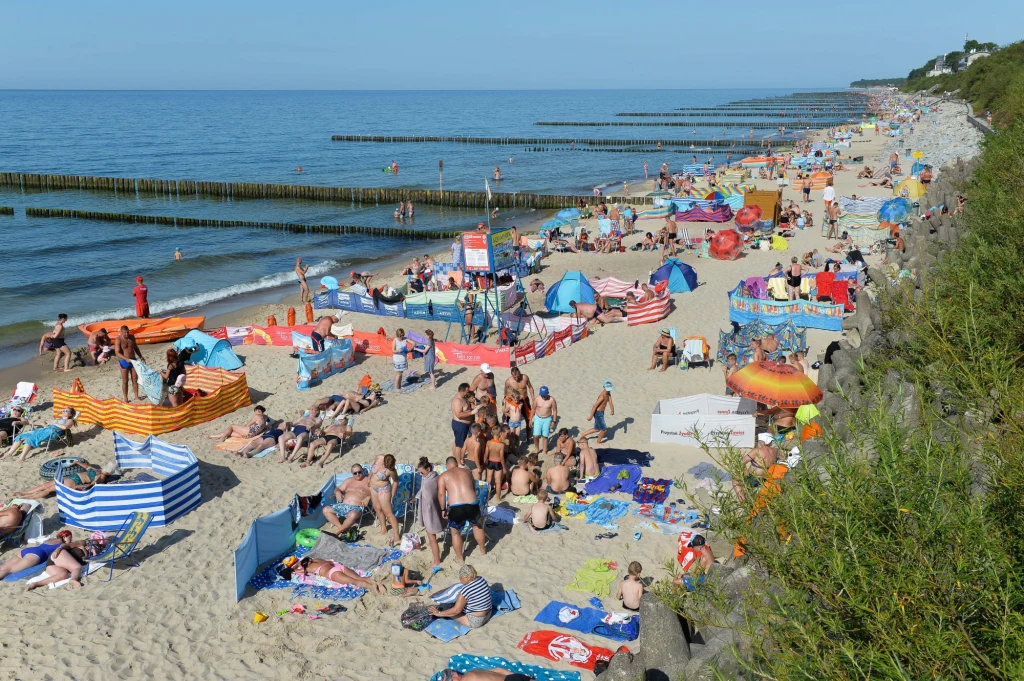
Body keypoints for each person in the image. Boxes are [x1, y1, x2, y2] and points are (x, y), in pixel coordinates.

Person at [438, 456, 487, 563]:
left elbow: (441, 494)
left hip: (456, 507)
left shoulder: (443, 476)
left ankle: (460, 559)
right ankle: (483, 550)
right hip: (472, 503)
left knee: (456, 533)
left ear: (447, 466)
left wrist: (443, 509)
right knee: (477, 526)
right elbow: (473, 488)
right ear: (456, 463)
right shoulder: (467, 472)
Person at [430, 564, 493, 628]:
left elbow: (456, 610)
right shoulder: (481, 579)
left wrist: (439, 613)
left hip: (476, 621)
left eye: (461, 577)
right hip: (489, 613)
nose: (460, 579)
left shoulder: (466, 590)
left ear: (468, 577)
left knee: (447, 608)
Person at [4, 407, 77, 462]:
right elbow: (45, 422)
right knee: (20, 436)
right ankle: (9, 453)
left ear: (70, 414)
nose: (64, 411)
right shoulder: (58, 419)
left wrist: (54, 423)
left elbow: (65, 427)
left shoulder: (70, 420)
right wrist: (45, 423)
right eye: (63, 410)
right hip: (44, 430)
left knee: (31, 439)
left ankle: (21, 458)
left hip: (53, 432)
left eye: (66, 411)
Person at [321, 464, 373, 536]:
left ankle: (337, 532)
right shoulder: (348, 481)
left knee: (353, 515)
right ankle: (342, 528)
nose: (357, 474)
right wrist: (337, 492)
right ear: (352, 473)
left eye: (359, 472)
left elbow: (376, 493)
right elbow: (338, 488)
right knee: (326, 510)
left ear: (362, 471)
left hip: (356, 507)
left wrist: (369, 497)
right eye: (355, 473)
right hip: (343, 505)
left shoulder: (368, 481)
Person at [0, 529, 74, 579]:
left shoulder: (51, 539)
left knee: (3, 567)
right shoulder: (62, 545)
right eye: (70, 538)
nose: (71, 540)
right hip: (36, 555)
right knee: (10, 570)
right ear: (64, 536)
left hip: (28, 550)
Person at [296, 556, 385, 593]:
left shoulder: (308, 568)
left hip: (333, 573)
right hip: (340, 567)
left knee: (355, 581)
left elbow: (295, 571)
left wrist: (297, 565)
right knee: (359, 577)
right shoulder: (319, 560)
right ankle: (376, 583)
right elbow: (330, 561)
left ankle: (373, 587)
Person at [415, 458, 444, 568]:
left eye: (422, 472)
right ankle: (433, 547)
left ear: (428, 469)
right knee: (431, 536)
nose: (420, 474)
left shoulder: (428, 482)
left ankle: (436, 561)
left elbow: (428, 497)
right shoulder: (435, 476)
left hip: (429, 511)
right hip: (435, 508)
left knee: (431, 536)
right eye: (419, 472)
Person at [369, 454, 402, 547]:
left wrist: (392, 494)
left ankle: (396, 535)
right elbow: (372, 467)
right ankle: (383, 529)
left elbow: (396, 481)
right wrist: (369, 478)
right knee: (377, 508)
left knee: (388, 513)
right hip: (373, 488)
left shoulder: (391, 470)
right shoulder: (379, 457)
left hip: (383, 489)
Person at [452, 383, 484, 460]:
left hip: (465, 424)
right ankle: (458, 462)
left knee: (459, 442)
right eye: (467, 391)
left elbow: (470, 406)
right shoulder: (457, 401)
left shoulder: (464, 397)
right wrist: (471, 413)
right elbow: (458, 415)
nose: (468, 392)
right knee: (459, 445)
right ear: (462, 391)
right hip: (460, 424)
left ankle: (456, 458)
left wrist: (478, 406)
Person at [114, 325, 145, 403]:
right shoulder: (118, 339)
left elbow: (135, 348)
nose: (127, 334)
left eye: (128, 332)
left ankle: (136, 396)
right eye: (125, 333)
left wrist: (141, 356)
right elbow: (117, 352)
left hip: (133, 360)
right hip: (123, 361)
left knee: (135, 379)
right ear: (121, 332)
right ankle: (125, 398)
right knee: (125, 381)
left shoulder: (132, 337)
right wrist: (126, 359)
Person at [531, 386, 557, 455]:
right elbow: (533, 409)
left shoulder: (552, 400)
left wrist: (554, 421)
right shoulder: (537, 399)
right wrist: (530, 419)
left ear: (548, 393)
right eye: (542, 395)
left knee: (545, 436)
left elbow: (554, 410)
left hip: (547, 419)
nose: (543, 397)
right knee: (536, 435)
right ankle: (537, 448)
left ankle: (545, 450)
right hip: (538, 418)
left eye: (544, 395)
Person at [483, 426, 507, 501]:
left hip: (490, 461)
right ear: (500, 433)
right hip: (498, 463)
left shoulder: (489, 442)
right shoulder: (501, 445)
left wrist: (484, 462)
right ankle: (498, 498)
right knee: (498, 482)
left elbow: (486, 454)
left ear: (492, 433)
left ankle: (486, 497)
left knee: (488, 480)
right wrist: (504, 467)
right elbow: (501, 457)